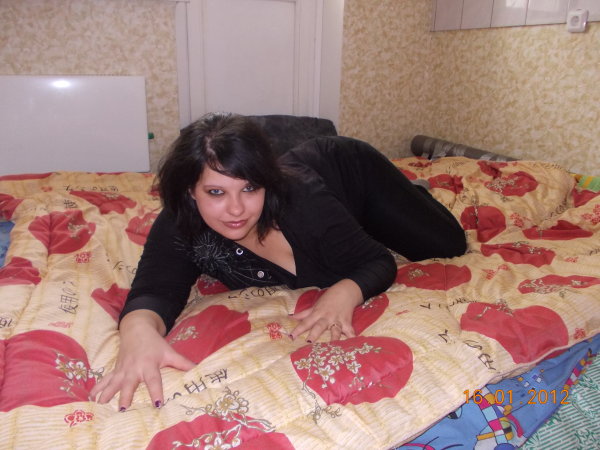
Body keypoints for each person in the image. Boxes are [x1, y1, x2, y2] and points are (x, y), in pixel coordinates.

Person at [90, 112, 466, 410]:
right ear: (190, 191)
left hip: (353, 174)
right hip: (328, 204)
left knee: (447, 245)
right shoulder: (179, 221)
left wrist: (345, 292)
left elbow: (377, 261)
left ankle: (412, 191)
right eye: (216, 192)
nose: (236, 209)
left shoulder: (300, 199)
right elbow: (154, 290)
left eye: (249, 188)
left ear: (266, 183)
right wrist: (138, 334)